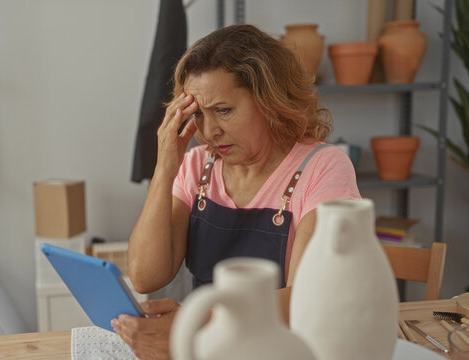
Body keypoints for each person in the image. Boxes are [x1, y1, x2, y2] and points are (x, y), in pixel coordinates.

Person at [112, 24, 361, 359]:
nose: (210, 131)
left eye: (224, 110)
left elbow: (306, 300)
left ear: (269, 100)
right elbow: (145, 276)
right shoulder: (197, 165)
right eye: (198, 115)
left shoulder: (323, 168)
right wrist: (165, 167)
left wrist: (195, 322)